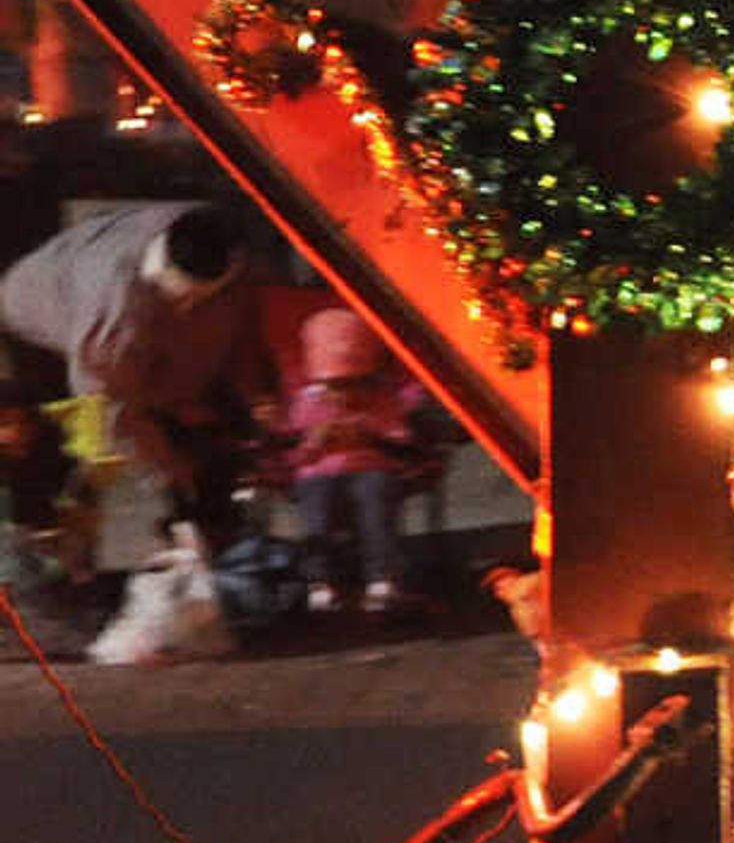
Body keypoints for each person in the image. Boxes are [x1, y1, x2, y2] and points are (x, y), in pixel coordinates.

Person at [0, 201, 273, 544]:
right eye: (181, 297)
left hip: (125, 332)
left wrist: (258, 394)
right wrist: (169, 471)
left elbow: (239, 326)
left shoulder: (215, 235)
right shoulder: (113, 320)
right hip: (36, 325)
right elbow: (114, 413)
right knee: (63, 442)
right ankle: (50, 539)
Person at [283, 305, 427, 616]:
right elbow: (292, 454)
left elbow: (400, 440)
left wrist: (368, 432)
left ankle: (382, 577)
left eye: (353, 384)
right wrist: (315, 443)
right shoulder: (309, 404)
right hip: (318, 472)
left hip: (370, 468)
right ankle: (320, 581)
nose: (345, 395)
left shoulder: (382, 398)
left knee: (374, 504)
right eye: (336, 387)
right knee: (316, 512)